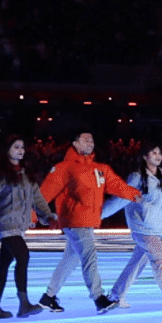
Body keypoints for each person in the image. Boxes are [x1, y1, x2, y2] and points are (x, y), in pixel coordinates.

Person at [39, 132, 140, 312]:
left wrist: (133, 194)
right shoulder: (65, 167)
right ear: (75, 144)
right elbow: (44, 193)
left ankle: (48, 297)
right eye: (86, 140)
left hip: (88, 221)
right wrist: (32, 216)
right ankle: (99, 298)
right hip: (74, 220)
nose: (90, 143)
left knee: (71, 259)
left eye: (92, 140)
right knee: (89, 256)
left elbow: (116, 185)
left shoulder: (99, 168)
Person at [110, 143, 162, 310]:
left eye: (159, 152)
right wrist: (101, 213)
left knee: (136, 264)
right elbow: (122, 197)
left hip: (154, 226)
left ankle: (115, 296)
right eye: (153, 152)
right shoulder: (136, 177)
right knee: (160, 258)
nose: (158, 155)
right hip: (142, 227)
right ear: (144, 156)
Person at [0, 137, 44, 318]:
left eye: (22, 147)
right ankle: (24, 303)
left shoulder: (26, 174)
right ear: (7, 149)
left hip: (18, 225)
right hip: (3, 223)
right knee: (23, 255)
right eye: (16, 147)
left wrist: (48, 216)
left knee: (4, 264)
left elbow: (37, 198)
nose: (20, 150)